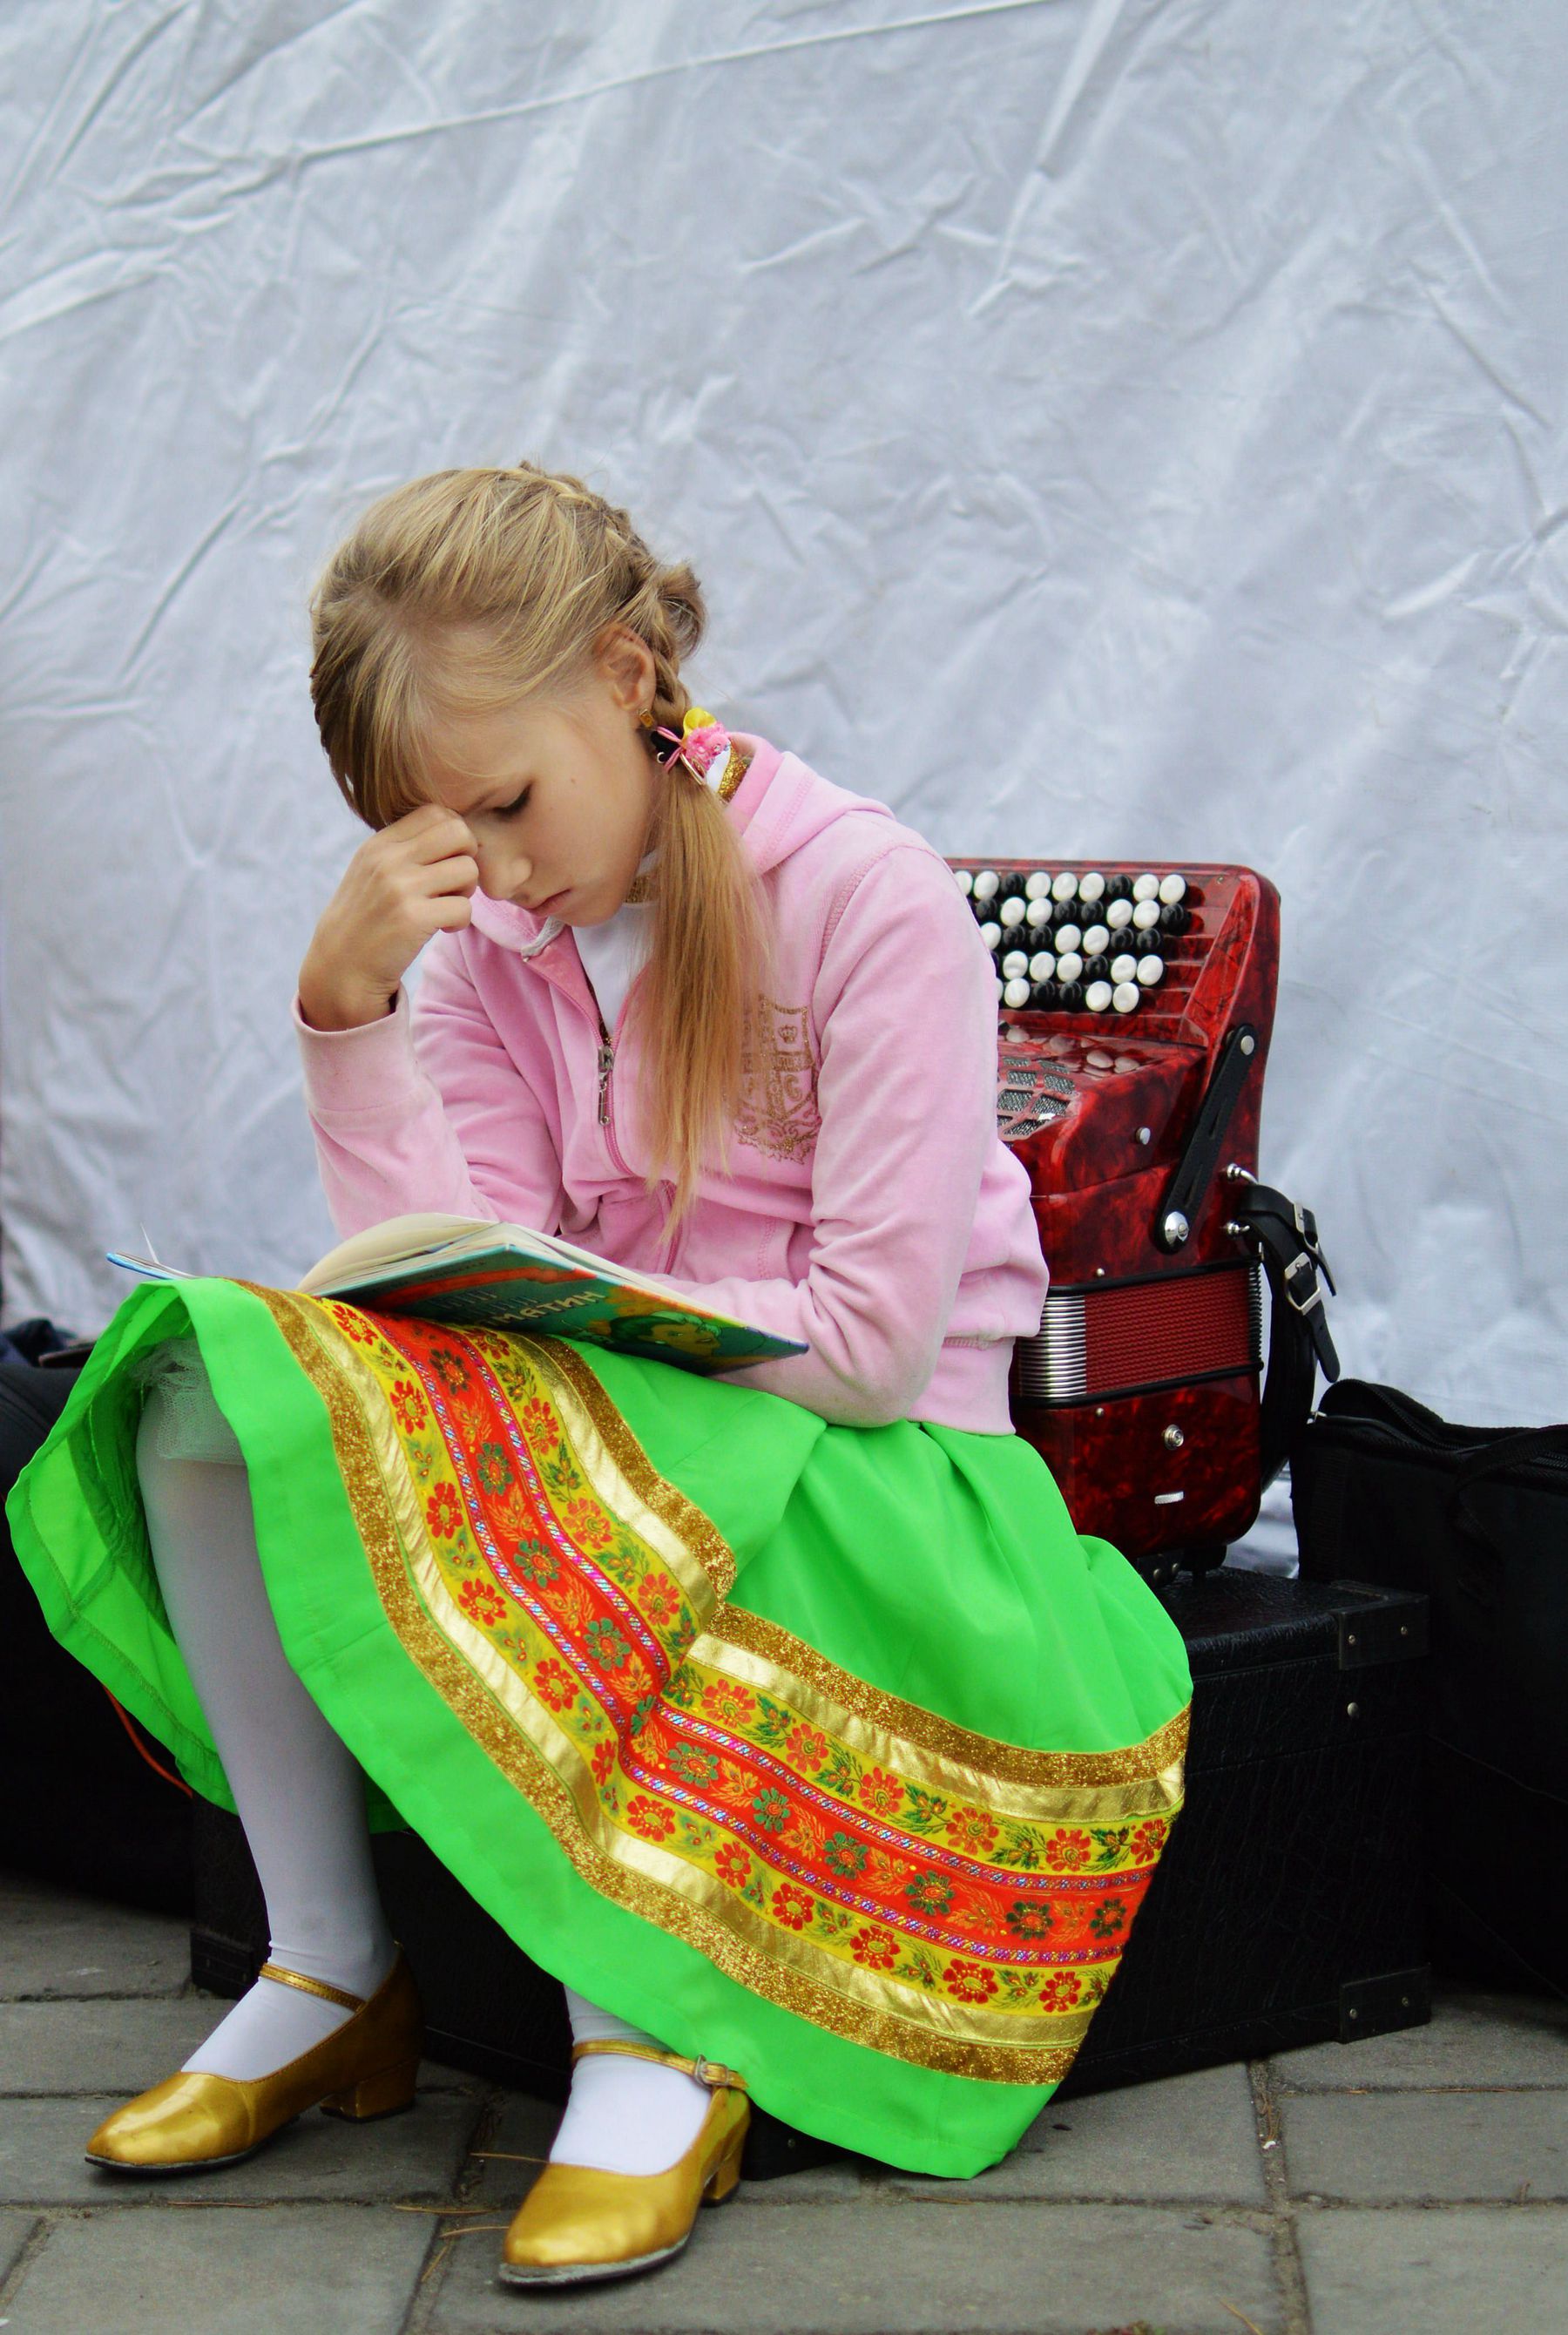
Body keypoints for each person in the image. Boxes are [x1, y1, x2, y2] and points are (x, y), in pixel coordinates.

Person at [8, 460, 1192, 2291]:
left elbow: (880, 1346)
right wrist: (351, 1017)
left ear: (629, 675)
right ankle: (331, 1966)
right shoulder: (504, 944)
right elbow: (447, 1285)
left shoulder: (862, 895)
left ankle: (645, 2035)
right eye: (441, 836)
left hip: (887, 1483)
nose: (495, 872)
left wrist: (598, 1338)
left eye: (506, 802)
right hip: (648, 1421)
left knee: (576, 1449)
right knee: (196, 1399)